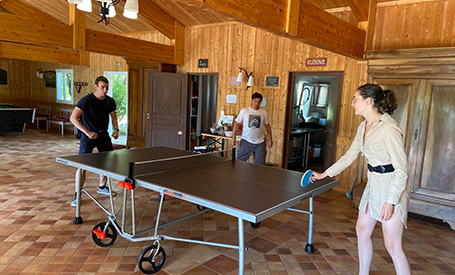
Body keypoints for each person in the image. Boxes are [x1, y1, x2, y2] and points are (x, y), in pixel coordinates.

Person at [311, 84, 411, 275]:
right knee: (362, 231)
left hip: (392, 186)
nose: (352, 103)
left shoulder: (389, 128)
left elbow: (402, 170)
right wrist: (325, 174)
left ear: (368, 101)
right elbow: (350, 156)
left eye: (355, 99)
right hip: (373, 184)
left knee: (392, 245)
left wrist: (391, 201)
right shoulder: (363, 126)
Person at [69, 76, 119, 206]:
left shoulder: (110, 101)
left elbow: (114, 116)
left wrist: (116, 129)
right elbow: (73, 118)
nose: (105, 90)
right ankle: (77, 194)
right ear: (96, 86)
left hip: (103, 135)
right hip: (88, 136)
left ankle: (102, 187)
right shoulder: (86, 100)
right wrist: (87, 132)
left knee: (107, 163)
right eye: (102, 87)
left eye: (107, 87)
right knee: (82, 166)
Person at [231, 92, 273, 164]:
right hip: (246, 141)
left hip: (260, 143)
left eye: (259, 101)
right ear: (252, 101)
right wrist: (233, 137)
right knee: (238, 163)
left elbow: (267, 126)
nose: (256, 103)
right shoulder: (244, 111)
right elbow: (236, 124)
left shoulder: (264, 113)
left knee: (260, 166)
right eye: (255, 101)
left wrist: (270, 139)